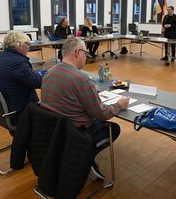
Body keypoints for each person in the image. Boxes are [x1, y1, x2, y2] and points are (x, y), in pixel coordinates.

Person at [40, 37, 129, 179]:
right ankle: (82, 159)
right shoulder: (81, 78)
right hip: (75, 131)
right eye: (85, 54)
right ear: (77, 53)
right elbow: (101, 114)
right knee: (113, 128)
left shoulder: (48, 73)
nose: (86, 58)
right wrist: (119, 105)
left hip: (54, 129)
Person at [0, 31, 43, 125]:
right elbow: (39, 82)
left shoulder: (2, 57)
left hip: (3, 109)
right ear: (19, 45)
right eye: (27, 44)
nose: (29, 47)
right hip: (19, 112)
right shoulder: (17, 62)